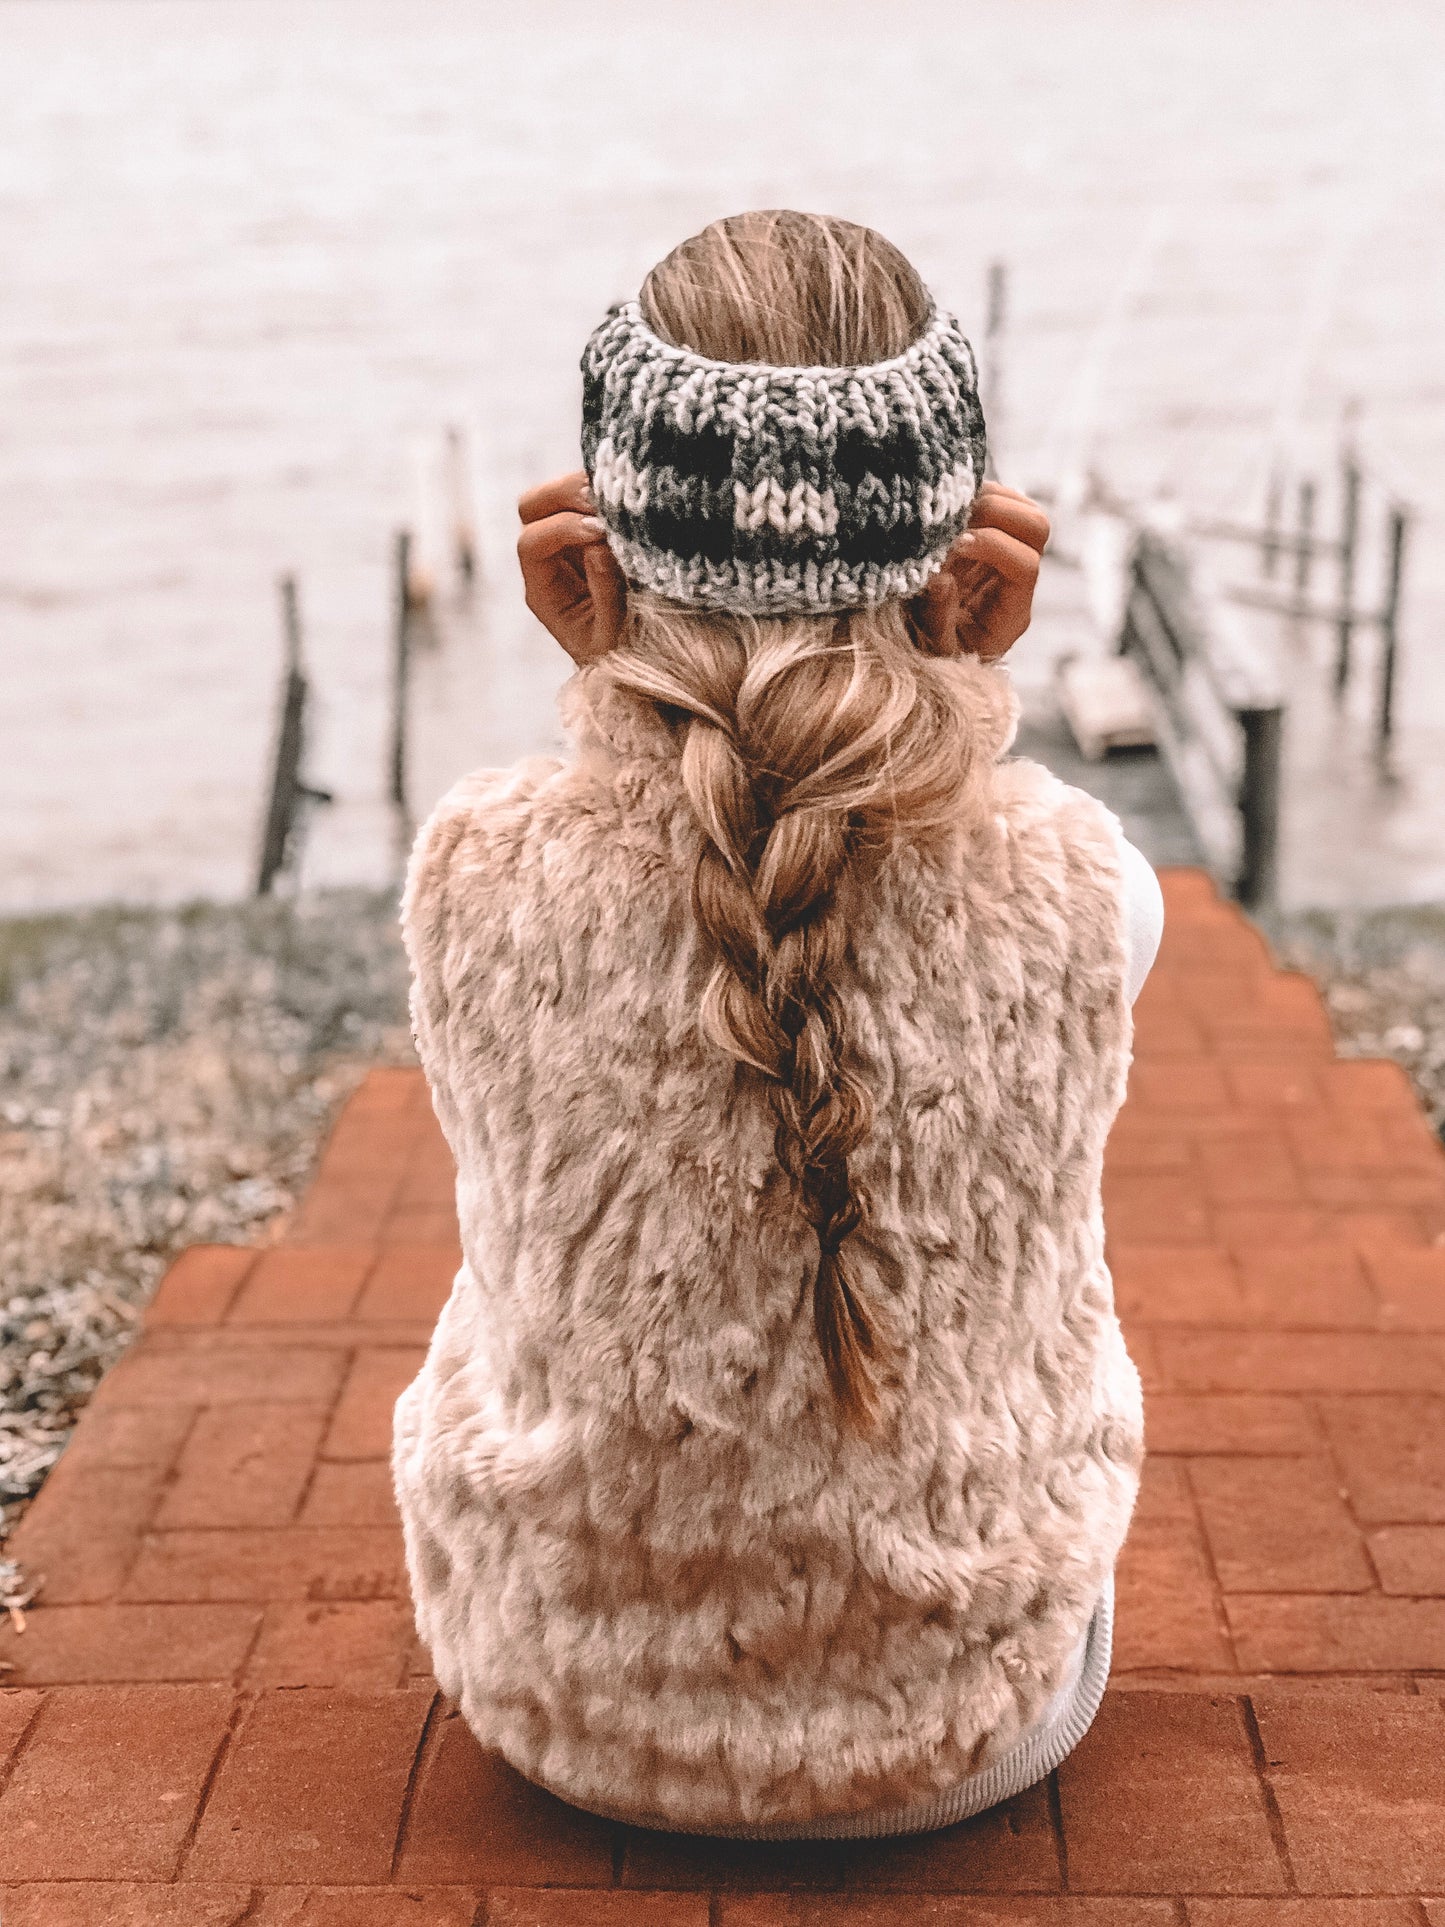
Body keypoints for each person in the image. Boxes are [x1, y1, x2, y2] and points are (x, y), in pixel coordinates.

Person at [392, 209, 1162, 1841]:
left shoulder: (473, 875)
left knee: (498, 1257)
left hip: (562, 1708)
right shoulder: (1094, 893)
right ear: (967, 557)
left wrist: (613, 677)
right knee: (1054, 1263)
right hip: (974, 1721)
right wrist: (954, 683)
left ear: (600, 537)